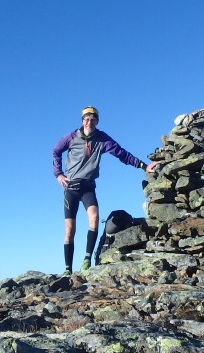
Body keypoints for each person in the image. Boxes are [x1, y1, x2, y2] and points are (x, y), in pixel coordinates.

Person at [52, 106, 159, 274]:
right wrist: (58, 174)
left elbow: (122, 154)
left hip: (88, 186)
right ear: (82, 121)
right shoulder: (71, 137)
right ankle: (68, 270)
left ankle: (87, 260)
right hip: (70, 187)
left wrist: (144, 166)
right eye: (87, 119)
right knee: (69, 229)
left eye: (93, 119)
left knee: (94, 218)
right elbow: (56, 151)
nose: (89, 122)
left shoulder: (102, 139)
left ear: (97, 121)